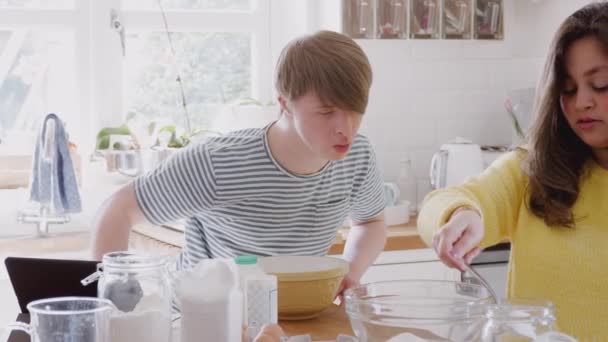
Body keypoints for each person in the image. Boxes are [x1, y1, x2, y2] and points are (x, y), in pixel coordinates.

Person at [91, 30, 387, 292]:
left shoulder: (356, 156)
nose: (345, 129)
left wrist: (351, 271)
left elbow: (370, 221)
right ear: (285, 103)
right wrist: (107, 307)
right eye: (326, 112)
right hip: (203, 319)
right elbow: (117, 210)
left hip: (293, 318)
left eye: (355, 110)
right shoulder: (217, 163)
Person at [417, 2, 608, 339]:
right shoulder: (532, 170)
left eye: (601, 84)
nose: (582, 102)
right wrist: (462, 214)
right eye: (568, 88)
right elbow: (443, 202)